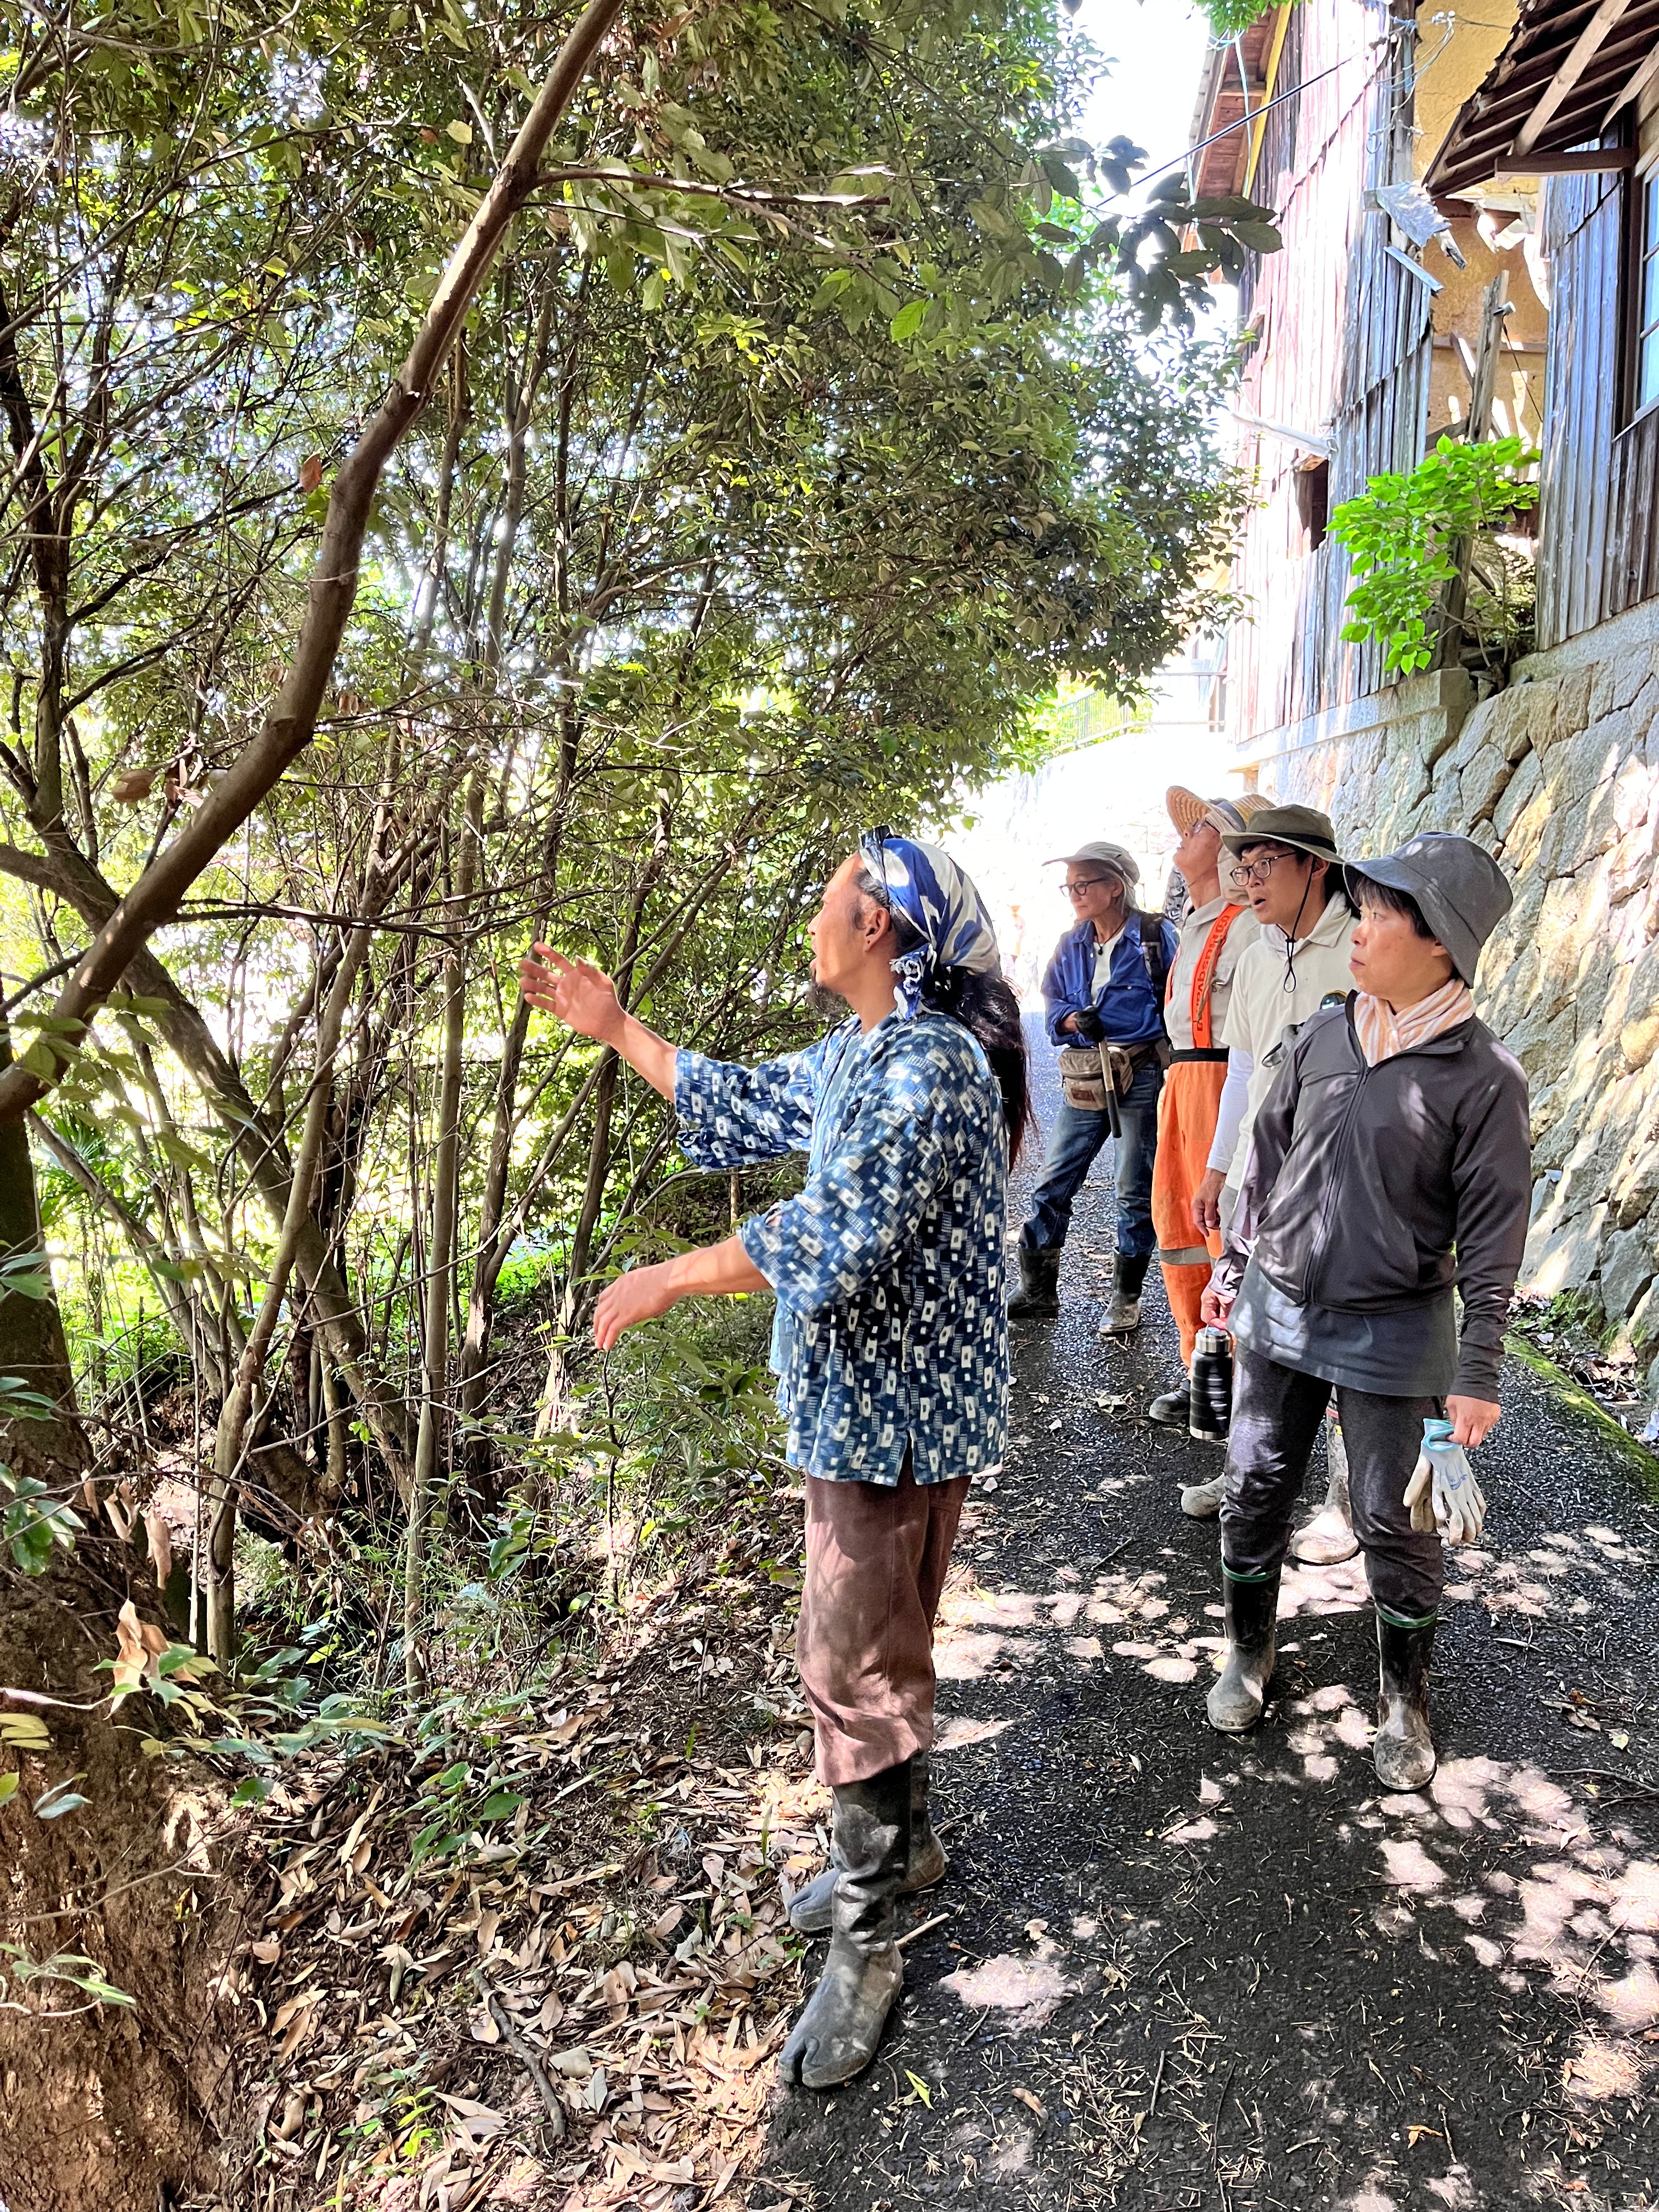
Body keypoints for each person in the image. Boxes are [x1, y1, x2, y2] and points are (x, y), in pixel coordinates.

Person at [518, 835, 1026, 2093]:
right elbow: (743, 1099)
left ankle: (868, 1945)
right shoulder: (863, 1051)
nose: (814, 914)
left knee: (851, 1668)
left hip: (895, 1419)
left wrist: (670, 1277)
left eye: (831, 892)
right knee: (882, 1648)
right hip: (868, 1410)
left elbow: (834, 1234)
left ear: (878, 924)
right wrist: (615, 1027)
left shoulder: (932, 1066)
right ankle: (903, 1849)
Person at [1200, 832, 1528, 1790]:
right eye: (1364, 905)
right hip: (1279, 1308)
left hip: (1396, 1330)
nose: (1359, 926)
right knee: (1254, 1483)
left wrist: (1477, 1369)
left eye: (1382, 914)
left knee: (1394, 1517)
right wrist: (1235, 1263)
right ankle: (1248, 1653)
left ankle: (1404, 1699)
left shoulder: (1482, 1078)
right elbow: (1266, 1156)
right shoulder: (1324, 1036)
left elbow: (1493, 1238)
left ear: (1439, 944)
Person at [1181, 804, 1359, 1543]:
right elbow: (1244, 1072)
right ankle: (1248, 1476)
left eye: (1265, 866)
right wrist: (1219, 1170)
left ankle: (1346, 1500)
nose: (1248, 881)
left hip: (1339, 1183)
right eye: (1243, 867)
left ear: (1316, 865)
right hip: (1260, 1179)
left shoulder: (1363, 945)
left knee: (1340, 1341)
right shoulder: (1256, 956)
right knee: (1252, 1331)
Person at [1008, 842, 1177, 1335]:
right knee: (1053, 1179)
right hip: (1086, 1076)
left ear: (1115, 887)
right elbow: (1054, 1007)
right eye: (1070, 887)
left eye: (1084, 884)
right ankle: (1037, 1291)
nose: (1075, 894)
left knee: (1132, 1187)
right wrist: (1072, 1021)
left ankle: (1126, 1298)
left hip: (1140, 1073)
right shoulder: (1071, 944)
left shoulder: (1156, 937)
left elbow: (1180, 999)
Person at [1144, 788, 1269, 1431]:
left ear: (1230, 849)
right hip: (1184, 1083)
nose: (1185, 835)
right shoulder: (1194, 923)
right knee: (1178, 1230)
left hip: (1223, 1081)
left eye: (1202, 827)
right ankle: (1201, 1367)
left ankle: (1246, 1382)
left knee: (1226, 1231)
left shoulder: (1250, 925)